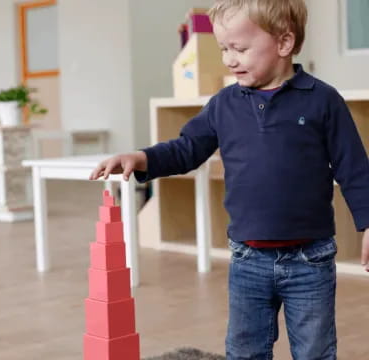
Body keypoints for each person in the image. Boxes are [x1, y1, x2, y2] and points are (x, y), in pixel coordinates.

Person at [89, 0, 369, 358]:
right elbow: (186, 149)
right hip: (248, 259)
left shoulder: (323, 101)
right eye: (224, 49)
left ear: (284, 43)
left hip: (310, 260)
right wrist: (142, 158)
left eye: (239, 48)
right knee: (244, 350)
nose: (229, 59)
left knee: (315, 351)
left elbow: (355, 168)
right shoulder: (223, 104)